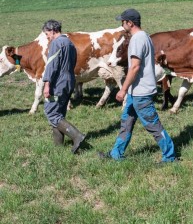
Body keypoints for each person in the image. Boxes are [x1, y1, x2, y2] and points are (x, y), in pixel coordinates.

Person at [98, 9, 177, 164]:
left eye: (123, 22)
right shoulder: (145, 36)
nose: (121, 24)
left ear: (130, 23)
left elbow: (134, 67)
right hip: (136, 91)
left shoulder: (137, 39)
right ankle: (116, 154)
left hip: (141, 92)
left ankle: (170, 156)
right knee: (126, 122)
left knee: (152, 125)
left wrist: (122, 89)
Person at [42, 20, 85, 154]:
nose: (46, 36)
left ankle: (77, 136)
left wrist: (47, 84)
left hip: (58, 82)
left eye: (47, 33)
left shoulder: (56, 43)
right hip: (69, 80)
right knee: (59, 113)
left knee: (51, 112)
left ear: (53, 30)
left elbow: (51, 65)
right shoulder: (69, 43)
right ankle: (58, 147)